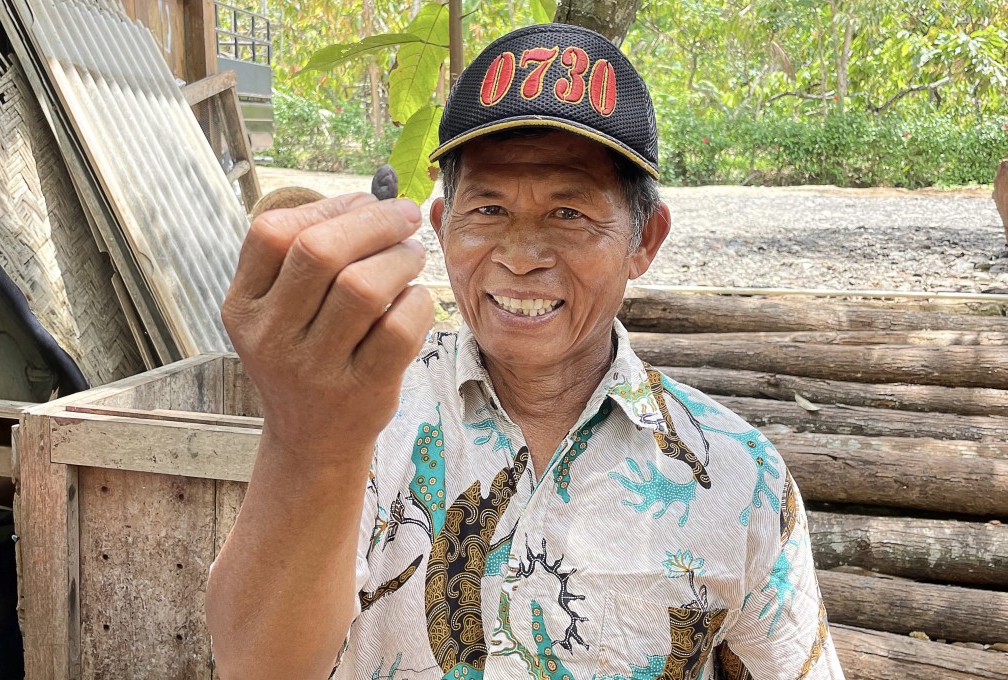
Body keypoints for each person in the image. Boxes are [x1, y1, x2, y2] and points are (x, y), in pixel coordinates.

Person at [206, 23, 845, 680]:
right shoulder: (359, 419)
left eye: (568, 214)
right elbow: (256, 665)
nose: (519, 256)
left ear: (644, 240)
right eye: (487, 209)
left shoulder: (740, 479)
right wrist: (309, 441)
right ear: (440, 226)